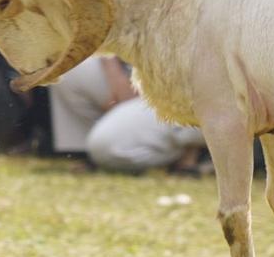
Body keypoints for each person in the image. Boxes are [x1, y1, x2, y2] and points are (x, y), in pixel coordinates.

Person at [49, 57, 206, 174]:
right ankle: (86, 151)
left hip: (177, 96)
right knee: (67, 69)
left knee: (105, 146)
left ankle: (190, 158)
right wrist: (116, 78)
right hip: (138, 79)